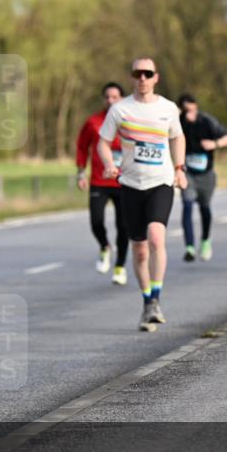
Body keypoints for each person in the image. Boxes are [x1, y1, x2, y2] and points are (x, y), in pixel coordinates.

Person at [98, 58, 186, 332]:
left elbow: (177, 137)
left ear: (156, 77)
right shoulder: (120, 109)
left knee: (156, 238)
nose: (143, 78)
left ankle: (156, 299)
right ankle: (147, 300)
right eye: (138, 73)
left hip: (161, 181)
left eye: (148, 73)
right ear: (132, 77)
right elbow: (103, 142)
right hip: (131, 184)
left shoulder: (168, 108)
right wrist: (109, 164)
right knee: (138, 248)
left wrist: (179, 168)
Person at [75, 81, 128, 285]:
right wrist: (81, 172)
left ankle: (120, 266)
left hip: (124, 182)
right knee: (96, 221)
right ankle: (105, 246)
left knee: (124, 226)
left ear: (122, 99)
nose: (110, 100)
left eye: (115, 97)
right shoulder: (93, 122)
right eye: (107, 97)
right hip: (99, 180)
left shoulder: (129, 121)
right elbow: (82, 147)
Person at [177, 93, 227, 261]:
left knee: (204, 207)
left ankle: (206, 240)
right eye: (185, 110)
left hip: (206, 173)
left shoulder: (207, 121)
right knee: (187, 205)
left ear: (196, 106)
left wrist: (214, 144)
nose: (188, 114)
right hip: (188, 173)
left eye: (191, 109)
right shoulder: (178, 123)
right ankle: (189, 247)